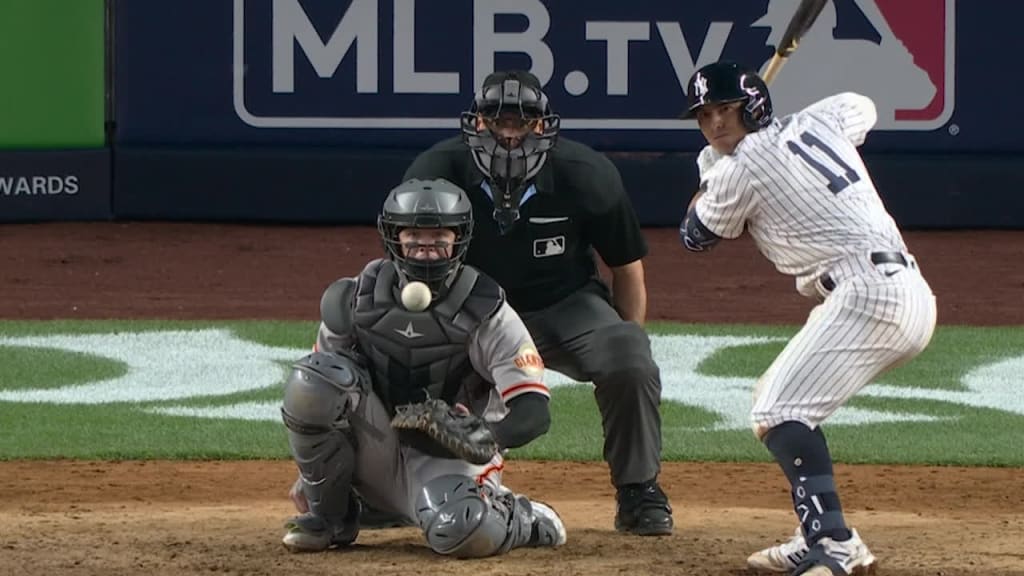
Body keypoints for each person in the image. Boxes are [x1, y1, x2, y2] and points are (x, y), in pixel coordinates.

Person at [678, 61, 937, 575]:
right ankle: (818, 531)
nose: (714, 124)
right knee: (783, 404)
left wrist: (710, 168)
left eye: (725, 110)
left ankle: (834, 542)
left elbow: (694, 235)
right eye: (705, 115)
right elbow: (863, 105)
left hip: (868, 295)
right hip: (903, 290)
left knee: (778, 410)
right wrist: (782, 130)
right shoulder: (824, 119)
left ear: (751, 105)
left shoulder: (737, 170)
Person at [402, 70, 673, 536]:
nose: (509, 132)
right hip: (471, 311)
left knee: (629, 354)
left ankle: (638, 490)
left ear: (543, 125)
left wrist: (628, 354)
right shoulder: (435, 174)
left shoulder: (587, 176)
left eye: (522, 121)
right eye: (497, 119)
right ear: (476, 123)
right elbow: (406, 264)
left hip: (563, 305)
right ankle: (390, 488)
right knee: (401, 359)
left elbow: (627, 268)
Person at [279, 177, 566, 557]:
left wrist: (488, 435)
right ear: (393, 237)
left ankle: (523, 517)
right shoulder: (356, 298)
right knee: (312, 381)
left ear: (459, 239)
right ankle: (330, 516)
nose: (426, 249)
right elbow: (323, 387)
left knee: (465, 532)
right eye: (414, 235)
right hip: (377, 447)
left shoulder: (487, 311)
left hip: (445, 461)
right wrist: (316, 476)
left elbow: (534, 411)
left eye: (439, 237)